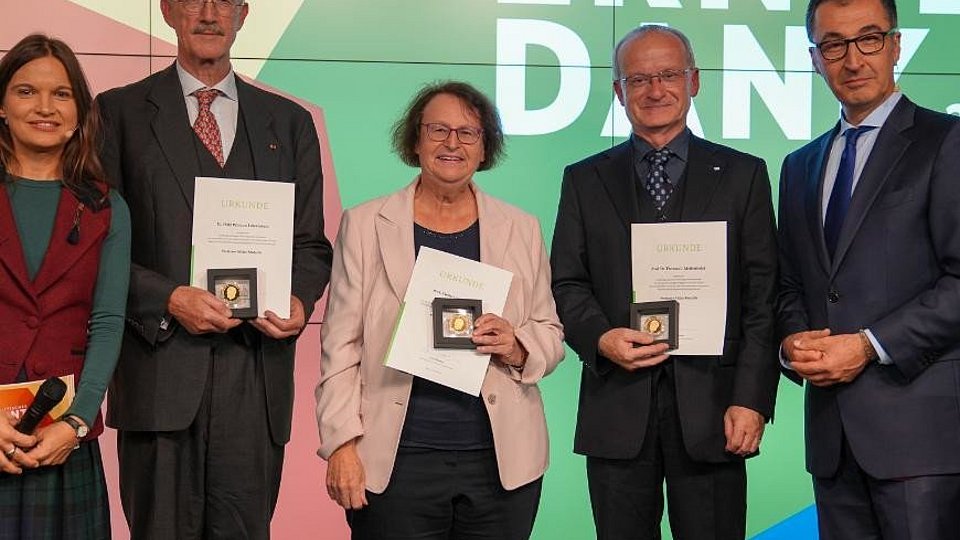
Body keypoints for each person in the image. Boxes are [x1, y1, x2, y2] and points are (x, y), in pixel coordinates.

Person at [96, 0, 333, 537]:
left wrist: (297, 300)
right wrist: (168, 298)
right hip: (159, 374)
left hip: (255, 378)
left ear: (243, 13)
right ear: (168, 10)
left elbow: (312, 246)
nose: (208, 13)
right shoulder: (118, 113)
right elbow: (100, 247)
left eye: (223, 0)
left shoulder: (290, 123)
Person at [551, 25, 779, 540]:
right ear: (618, 92)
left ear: (694, 81)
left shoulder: (743, 175)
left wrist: (752, 398)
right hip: (616, 412)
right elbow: (566, 282)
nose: (655, 90)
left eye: (669, 74)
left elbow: (762, 297)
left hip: (716, 411)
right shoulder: (584, 179)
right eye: (638, 79)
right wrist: (600, 338)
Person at [317, 81, 564, 540]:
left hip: (501, 463)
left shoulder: (521, 227)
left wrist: (517, 345)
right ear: (415, 140)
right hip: (396, 458)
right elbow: (340, 345)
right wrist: (341, 444)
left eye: (468, 133)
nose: (453, 143)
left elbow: (549, 330)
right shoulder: (366, 223)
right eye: (438, 130)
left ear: (485, 146)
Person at [777, 0, 960, 537]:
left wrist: (868, 344)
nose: (852, 59)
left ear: (896, 46)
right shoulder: (800, 166)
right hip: (833, 442)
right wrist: (791, 344)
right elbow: (792, 283)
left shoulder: (946, 141)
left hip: (921, 438)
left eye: (869, 39)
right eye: (834, 44)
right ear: (816, 59)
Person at [0, 33, 131, 539]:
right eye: (26, 91)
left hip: (60, 439)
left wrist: (75, 423)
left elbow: (108, 321)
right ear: (2, 105)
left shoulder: (106, 207)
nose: (44, 107)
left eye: (61, 94)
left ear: (79, 111)